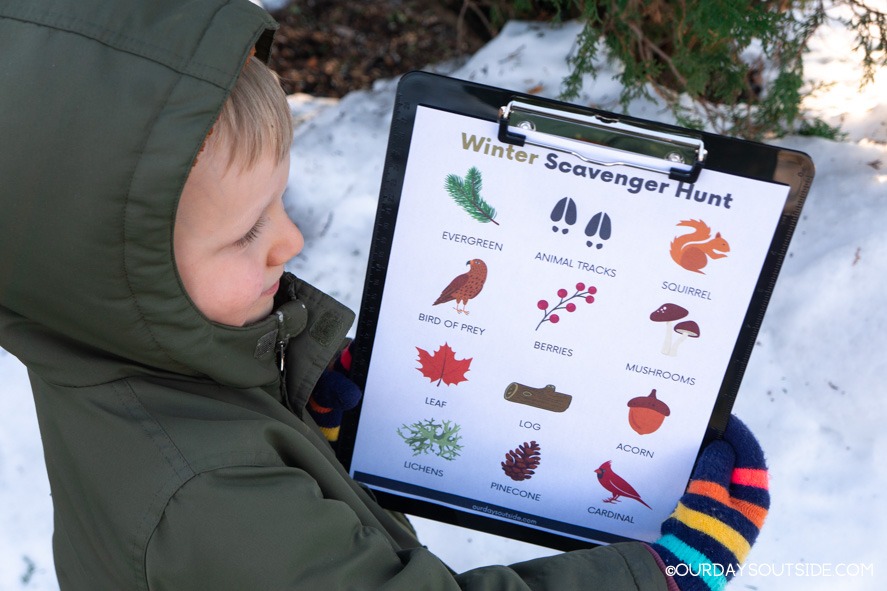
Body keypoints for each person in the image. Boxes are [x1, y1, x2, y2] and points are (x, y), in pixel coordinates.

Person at [0, 0, 769, 589]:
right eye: (243, 234)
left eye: (278, 203)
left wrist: (307, 407)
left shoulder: (97, 334)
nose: (289, 241)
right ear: (118, 271)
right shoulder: (209, 498)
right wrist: (667, 575)